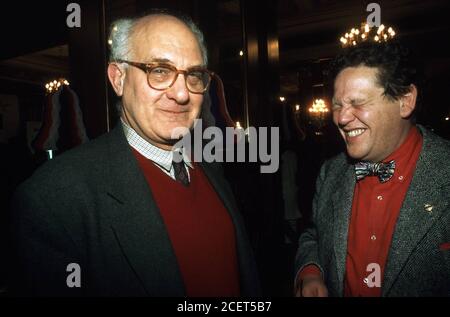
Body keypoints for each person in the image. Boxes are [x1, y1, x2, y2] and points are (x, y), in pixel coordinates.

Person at [10, 10, 260, 297]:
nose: (181, 94)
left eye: (193, 75)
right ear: (118, 78)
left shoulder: (213, 169)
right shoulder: (54, 198)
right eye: (160, 71)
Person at [295, 40, 450, 297]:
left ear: (405, 100)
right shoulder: (330, 172)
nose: (342, 118)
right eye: (337, 104)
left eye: (358, 103)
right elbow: (313, 235)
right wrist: (311, 271)